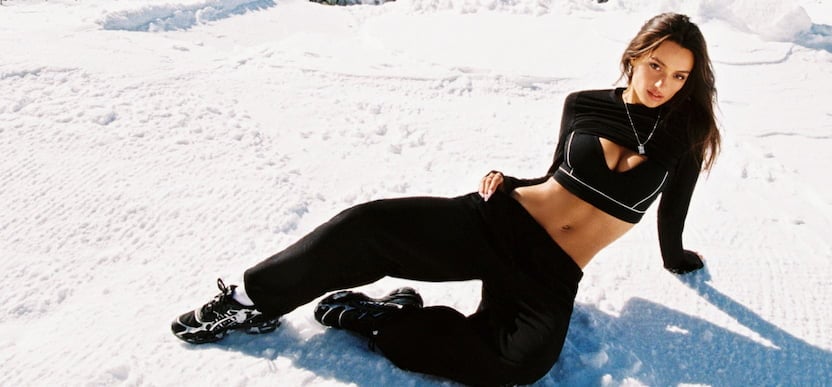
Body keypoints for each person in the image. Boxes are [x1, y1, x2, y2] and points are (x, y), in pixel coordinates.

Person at [167, 12, 722, 386]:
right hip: (503, 219)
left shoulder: (687, 134)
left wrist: (675, 256)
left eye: (678, 76)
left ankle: (380, 320)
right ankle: (248, 302)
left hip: (550, 272)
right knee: (364, 226)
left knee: (519, 364)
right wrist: (507, 180)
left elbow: (673, 208)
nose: (663, 85)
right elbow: (558, 174)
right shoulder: (583, 105)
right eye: (656, 66)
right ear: (634, 56)